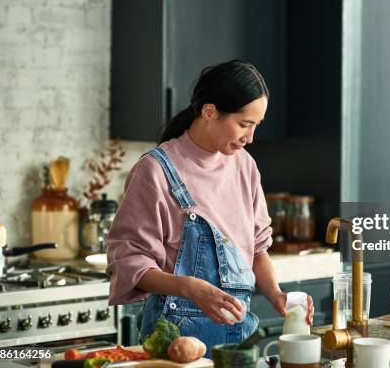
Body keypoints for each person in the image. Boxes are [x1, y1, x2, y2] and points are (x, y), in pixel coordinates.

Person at [107, 60, 314, 355]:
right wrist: (190, 288)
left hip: (238, 341)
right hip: (173, 346)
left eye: (257, 125)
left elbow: (257, 250)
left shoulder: (245, 165)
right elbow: (130, 262)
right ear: (209, 111)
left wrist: (276, 294)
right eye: (244, 124)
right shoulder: (155, 170)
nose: (250, 137)